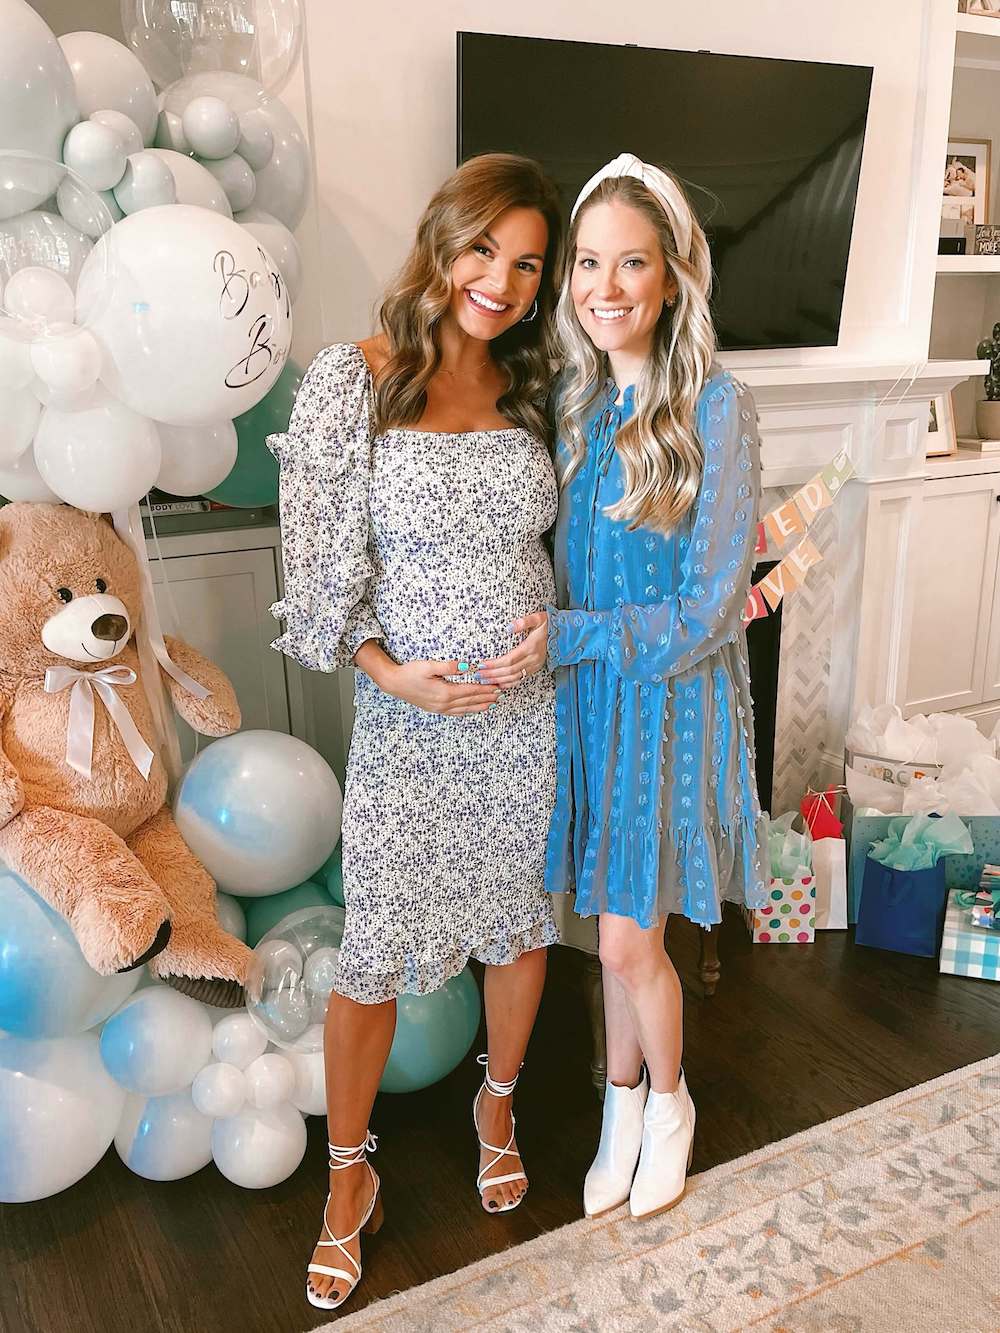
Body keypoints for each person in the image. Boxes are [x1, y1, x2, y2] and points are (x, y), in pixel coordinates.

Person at [269, 153, 563, 1311]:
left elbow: (558, 553)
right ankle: (347, 1182)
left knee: (517, 921)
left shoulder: (537, 389)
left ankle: (496, 1104)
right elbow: (321, 571)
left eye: (527, 263)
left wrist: (554, 633)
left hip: (524, 715)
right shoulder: (357, 379)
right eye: (485, 247)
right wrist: (393, 675)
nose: (502, 278)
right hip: (411, 724)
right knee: (373, 947)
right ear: (443, 242)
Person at [484, 153, 767, 1222]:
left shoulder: (719, 406)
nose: (605, 286)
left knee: (623, 938)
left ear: (672, 274)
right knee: (611, 927)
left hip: (672, 702)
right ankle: (619, 1103)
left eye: (630, 262)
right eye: (588, 263)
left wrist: (570, 634)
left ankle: (671, 1102)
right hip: (594, 705)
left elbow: (705, 612)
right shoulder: (579, 402)